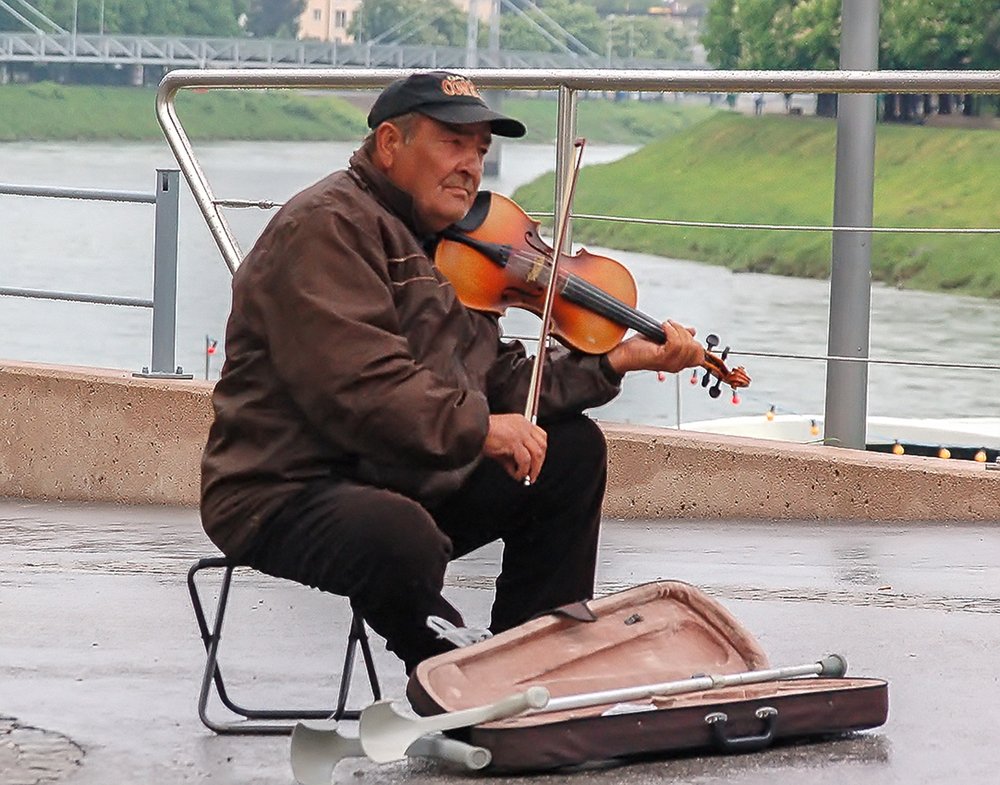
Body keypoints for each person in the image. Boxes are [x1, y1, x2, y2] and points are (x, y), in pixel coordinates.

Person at [200, 71, 706, 674]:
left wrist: (615, 360)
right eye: (452, 143)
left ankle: (537, 657)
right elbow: (361, 390)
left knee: (570, 451)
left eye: (481, 150)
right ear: (390, 144)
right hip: (286, 488)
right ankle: (456, 676)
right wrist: (484, 430)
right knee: (399, 531)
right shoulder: (328, 227)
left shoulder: (443, 248)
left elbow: (501, 379)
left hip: (403, 472)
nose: (472, 165)